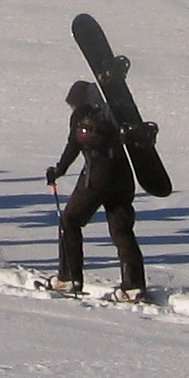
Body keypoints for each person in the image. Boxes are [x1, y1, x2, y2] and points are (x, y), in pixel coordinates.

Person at [45, 80, 148, 301]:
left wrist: (59, 170)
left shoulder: (83, 114)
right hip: (124, 174)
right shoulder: (112, 111)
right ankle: (133, 286)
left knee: (70, 221)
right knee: (122, 230)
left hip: (98, 175)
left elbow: (73, 145)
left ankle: (69, 277)